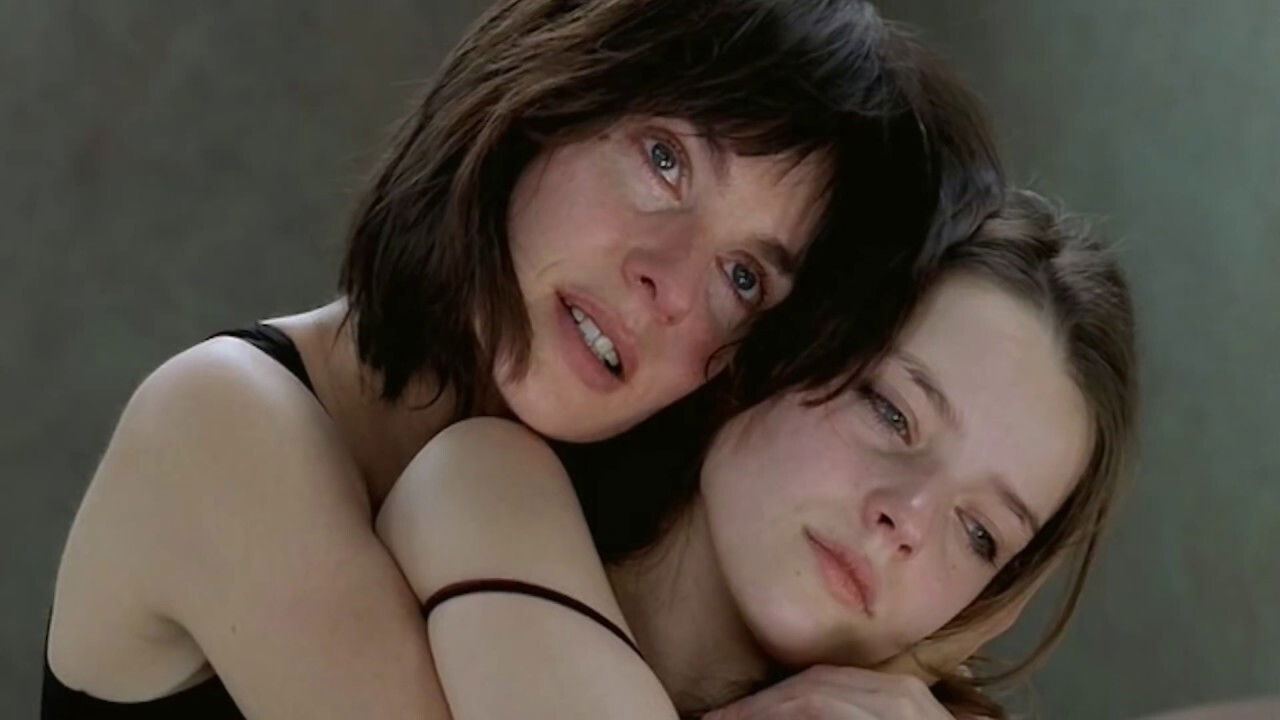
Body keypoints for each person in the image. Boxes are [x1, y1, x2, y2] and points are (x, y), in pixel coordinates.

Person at [42, 1, 1004, 718]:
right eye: (666, 161)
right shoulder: (220, 424)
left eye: (743, 277)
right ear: (546, 100)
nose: (668, 284)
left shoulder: (581, 530)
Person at [377, 188, 1139, 719]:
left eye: (979, 533)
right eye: (892, 412)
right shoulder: (484, 486)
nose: (906, 518)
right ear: (786, 343)